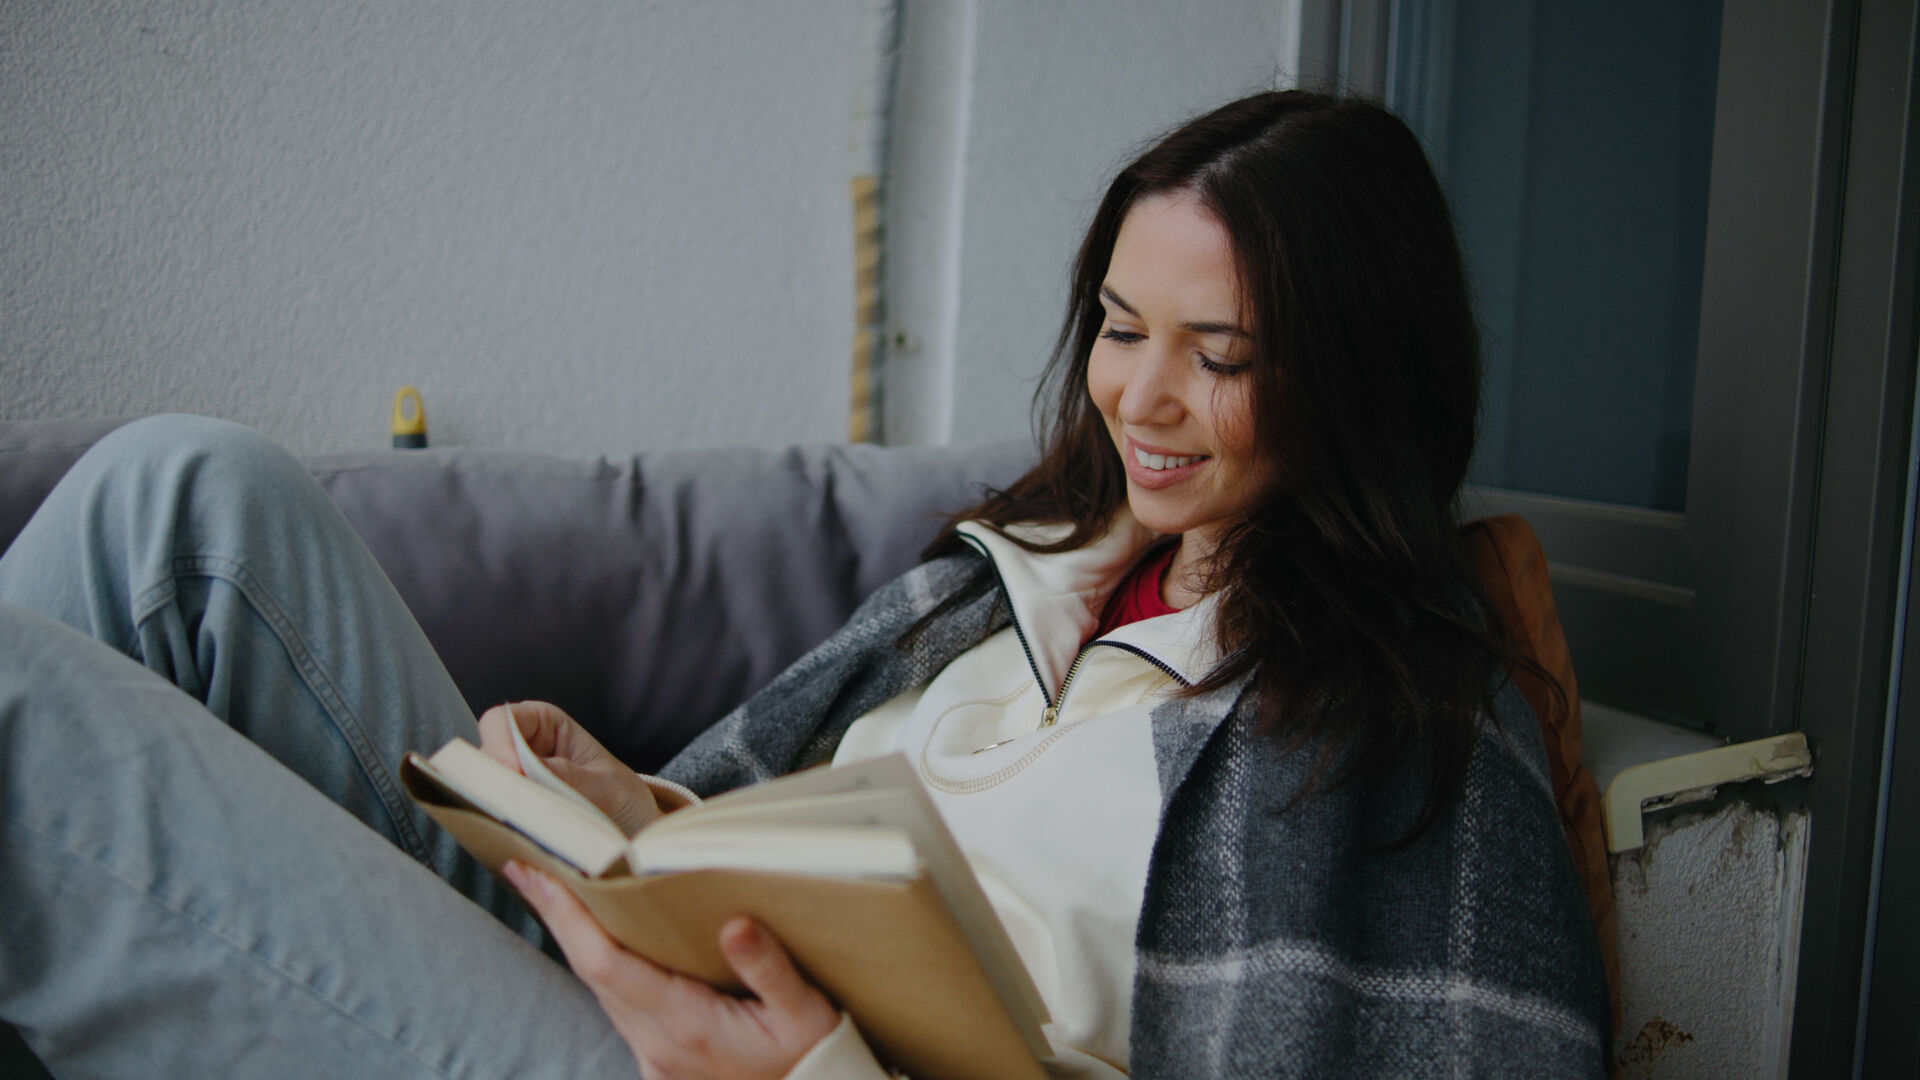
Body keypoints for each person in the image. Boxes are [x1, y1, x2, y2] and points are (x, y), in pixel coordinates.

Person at [0, 90, 1608, 1078]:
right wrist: (636, 813)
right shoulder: (1005, 582)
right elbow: (767, 846)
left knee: (27, 720)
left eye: (1224, 355)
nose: (1143, 398)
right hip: (638, 985)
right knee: (185, 497)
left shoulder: (1402, 733)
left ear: (1357, 378)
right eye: (1122, 329)